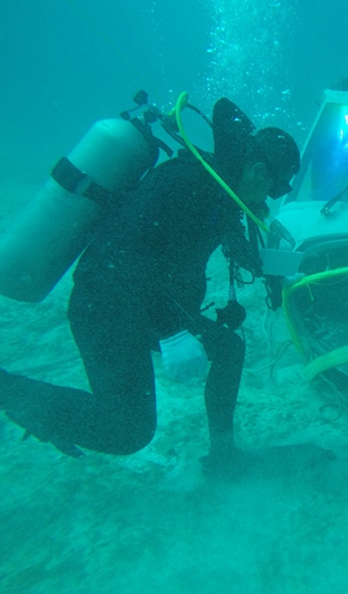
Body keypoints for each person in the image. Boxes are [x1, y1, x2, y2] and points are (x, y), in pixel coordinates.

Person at [0, 98, 301, 476]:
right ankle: (10, 391)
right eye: (272, 191)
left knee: (229, 349)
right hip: (105, 308)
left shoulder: (220, 192)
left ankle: (223, 456)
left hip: (148, 309)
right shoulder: (186, 183)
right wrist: (172, 333)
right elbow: (123, 261)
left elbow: (235, 245)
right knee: (128, 430)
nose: (267, 201)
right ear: (258, 171)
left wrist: (283, 268)